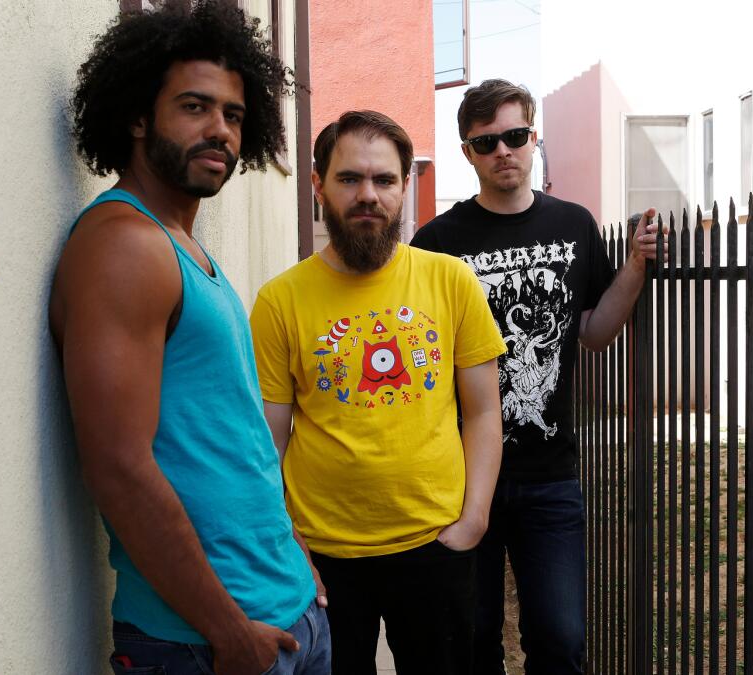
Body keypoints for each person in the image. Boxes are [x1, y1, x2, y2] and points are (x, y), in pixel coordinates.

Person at [49, 3, 328, 673]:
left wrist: (296, 556)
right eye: (195, 107)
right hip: (205, 642)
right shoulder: (124, 246)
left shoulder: (183, 248)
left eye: (234, 115)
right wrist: (228, 631)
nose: (220, 131)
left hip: (286, 612)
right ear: (139, 117)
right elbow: (118, 467)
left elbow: (230, 432)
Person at [410, 79, 667, 674]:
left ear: (533, 138)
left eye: (516, 136)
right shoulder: (437, 243)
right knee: (472, 639)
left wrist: (633, 267)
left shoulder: (574, 226)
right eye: (486, 142)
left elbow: (597, 331)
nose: (504, 151)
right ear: (467, 151)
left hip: (549, 476)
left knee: (559, 637)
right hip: (460, 478)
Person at [249, 110, 506, 675]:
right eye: (349, 179)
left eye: (384, 180)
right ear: (318, 184)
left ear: (404, 186)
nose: (368, 195)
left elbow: (484, 412)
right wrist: (284, 540)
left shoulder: (451, 281)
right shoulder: (279, 301)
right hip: (323, 558)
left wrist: (475, 519)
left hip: (435, 543)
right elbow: (268, 436)